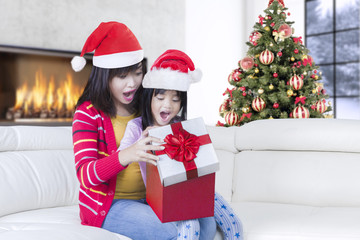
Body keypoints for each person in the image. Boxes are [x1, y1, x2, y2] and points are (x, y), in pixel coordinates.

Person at [118, 49, 244, 240]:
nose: (168, 105)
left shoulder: (181, 126)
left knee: (224, 213)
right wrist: (139, 145)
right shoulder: (136, 127)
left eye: (175, 99)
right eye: (160, 98)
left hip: (187, 189)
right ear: (149, 98)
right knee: (189, 223)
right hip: (159, 196)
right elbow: (121, 155)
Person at [71, 21, 179, 240]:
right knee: (170, 230)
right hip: (109, 204)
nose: (132, 83)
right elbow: (85, 175)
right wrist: (127, 154)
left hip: (153, 197)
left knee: (205, 222)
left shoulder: (146, 104)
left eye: (138, 73)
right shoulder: (88, 114)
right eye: (122, 77)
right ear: (104, 77)